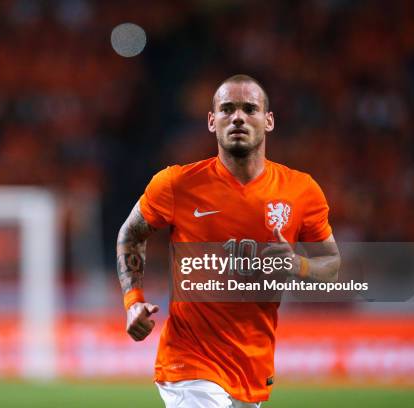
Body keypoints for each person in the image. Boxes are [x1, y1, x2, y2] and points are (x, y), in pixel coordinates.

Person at [116, 74, 341, 408]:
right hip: (188, 361)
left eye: (250, 108)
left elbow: (332, 264)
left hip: (252, 365)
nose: (238, 117)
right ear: (212, 121)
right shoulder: (175, 184)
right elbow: (130, 234)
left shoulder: (301, 191)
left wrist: (296, 265)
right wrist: (133, 300)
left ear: (269, 120)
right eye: (227, 109)